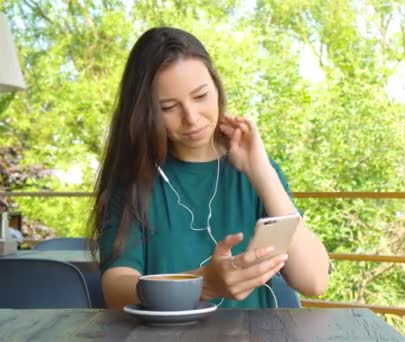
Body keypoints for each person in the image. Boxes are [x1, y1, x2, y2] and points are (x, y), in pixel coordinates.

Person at [89, 26, 330, 310]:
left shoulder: (255, 172)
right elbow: (116, 289)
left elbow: (315, 282)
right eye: (168, 107)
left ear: (216, 87)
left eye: (201, 96)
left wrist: (261, 171)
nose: (191, 118)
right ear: (146, 113)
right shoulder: (133, 180)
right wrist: (202, 284)